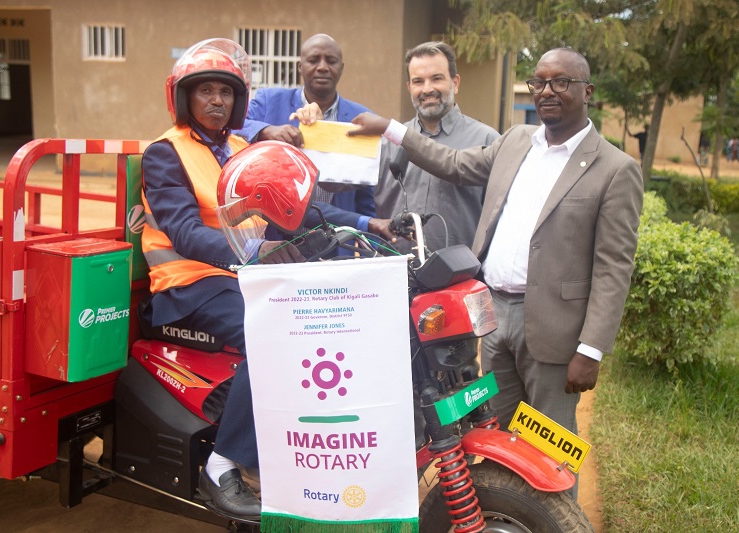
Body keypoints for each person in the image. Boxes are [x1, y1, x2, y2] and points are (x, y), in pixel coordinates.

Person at [326, 47, 644, 498]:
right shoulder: (516, 141)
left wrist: (590, 350)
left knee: (551, 446)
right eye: (540, 82)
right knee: (496, 436)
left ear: (587, 91)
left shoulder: (615, 169)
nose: (548, 91)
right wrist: (393, 130)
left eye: (562, 82)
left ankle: (558, 523)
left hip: (554, 326)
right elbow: (455, 165)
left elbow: (614, 267)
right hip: (492, 317)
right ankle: (508, 517)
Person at [141, 38, 306, 518]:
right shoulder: (164, 153)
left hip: (238, 279)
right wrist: (256, 252)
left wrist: (363, 226)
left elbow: (289, 210)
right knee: (272, 334)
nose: (217, 100)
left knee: (314, 320)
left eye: (226, 92)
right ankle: (223, 462)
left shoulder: (240, 147)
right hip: (188, 284)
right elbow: (186, 232)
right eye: (205, 91)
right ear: (184, 98)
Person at [236, 34, 391, 240]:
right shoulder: (268, 102)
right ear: (300, 67)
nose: (323, 67)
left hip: (336, 243)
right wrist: (266, 131)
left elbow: (364, 196)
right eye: (313, 60)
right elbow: (233, 127)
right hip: (276, 237)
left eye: (331, 60)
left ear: (342, 68)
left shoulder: (360, 119)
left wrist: (368, 245)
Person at [375, 41, 499, 254]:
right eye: (418, 81)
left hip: (461, 279)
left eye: (437, 78)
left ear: (455, 82)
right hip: (395, 276)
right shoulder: (386, 143)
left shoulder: (487, 141)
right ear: (409, 88)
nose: (427, 89)